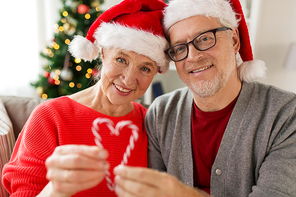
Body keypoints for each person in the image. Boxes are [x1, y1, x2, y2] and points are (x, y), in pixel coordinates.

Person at [112, 0, 296, 196]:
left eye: (205, 39)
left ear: (234, 40)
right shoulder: (161, 114)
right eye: (180, 48)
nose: (192, 56)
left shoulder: (285, 115)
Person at [2, 0, 169, 196]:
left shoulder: (149, 122)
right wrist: (57, 189)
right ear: (103, 53)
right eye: (121, 59)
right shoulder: (50, 116)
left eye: (145, 68)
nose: (129, 79)